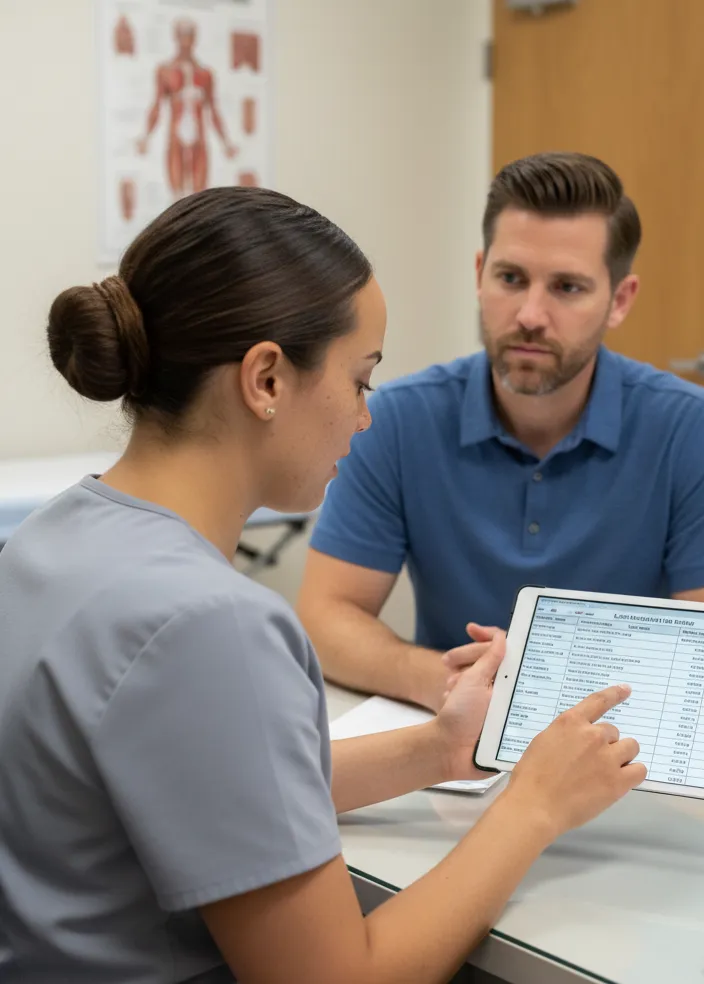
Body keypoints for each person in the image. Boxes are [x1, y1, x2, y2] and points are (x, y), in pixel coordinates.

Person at [0, 186, 646, 984]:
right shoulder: (210, 623)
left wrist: (442, 746)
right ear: (266, 378)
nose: (365, 417)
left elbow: (216, 783)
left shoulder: (50, 538)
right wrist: (534, 807)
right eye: (361, 380)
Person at [298, 152, 704, 713]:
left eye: (567, 287)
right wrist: (445, 681)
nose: (530, 314)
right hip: (455, 741)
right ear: (479, 275)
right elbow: (325, 619)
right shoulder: (397, 418)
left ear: (619, 300)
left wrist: (547, 700)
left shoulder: (691, 429)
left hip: (622, 744)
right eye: (511, 278)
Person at [137, 19, 237, 198]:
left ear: (195, 37)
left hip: (199, 138)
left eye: (190, 34)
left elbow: (213, 110)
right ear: (175, 36)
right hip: (176, 138)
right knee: (177, 196)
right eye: (182, 34)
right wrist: (146, 137)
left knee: (199, 197)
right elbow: (157, 105)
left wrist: (226, 142)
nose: (186, 40)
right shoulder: (165, 71)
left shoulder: (205, 74)